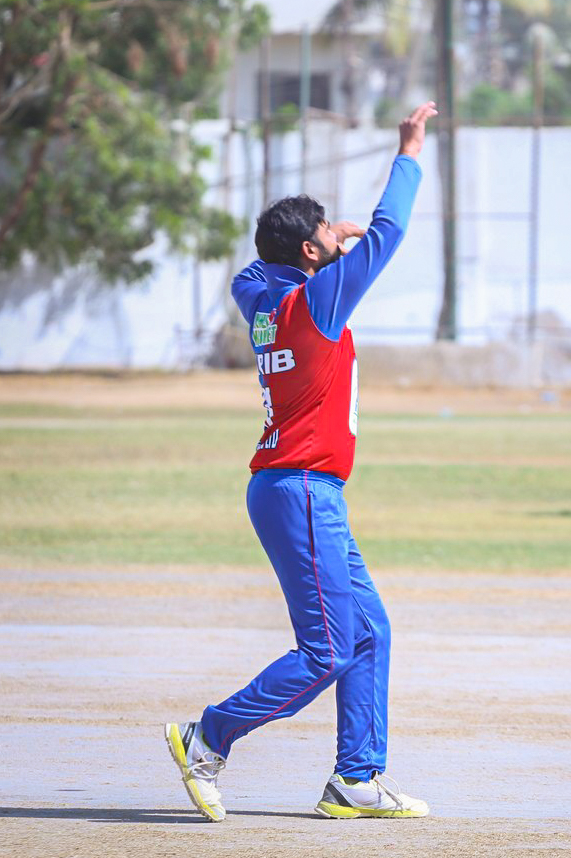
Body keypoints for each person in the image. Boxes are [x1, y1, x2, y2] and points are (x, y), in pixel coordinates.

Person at [164, 101, 438, 822]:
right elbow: (390, 230)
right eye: (322, 230)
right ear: (312, 255)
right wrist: (408, 152)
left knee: (368, 632)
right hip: (303, 488)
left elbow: (252, 270)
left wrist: (317, 238)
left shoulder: (261, 300)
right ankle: (207, 736)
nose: (332, 234)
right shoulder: (318, 299)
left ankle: (356, 778)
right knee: (327, 650)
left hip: (294, 488)